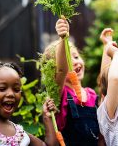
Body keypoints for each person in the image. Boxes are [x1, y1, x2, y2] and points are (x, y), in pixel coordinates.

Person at [0, 59, 56, 146]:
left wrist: (47, 118)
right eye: (2, 89)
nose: (11, 94)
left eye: (16, 89)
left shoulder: (22, 136)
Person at [43, 18, 100, 146]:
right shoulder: (60, 94)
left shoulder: (91, 94)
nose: (75, 62)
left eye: (75, 56)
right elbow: (62, 69)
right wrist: (63, 39)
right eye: (68, 60)